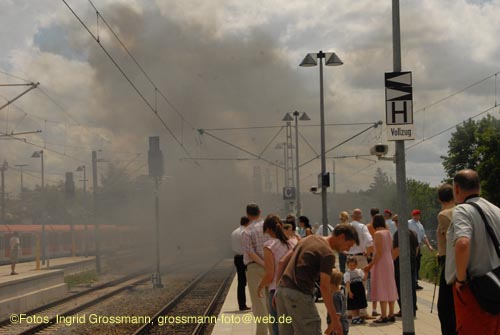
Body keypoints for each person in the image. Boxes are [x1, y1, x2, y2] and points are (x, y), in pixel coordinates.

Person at [275, 224, 359, 335]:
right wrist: (335, 320)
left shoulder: (309, 238)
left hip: (282, 291)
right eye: (349, 245)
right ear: (342, 237)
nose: (347, 250)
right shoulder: (328, 254)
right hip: (300, 294)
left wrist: (277, 290)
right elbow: (325, 287)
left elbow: (282, 262)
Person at [445, 169, 500, 334]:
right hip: (496, 285)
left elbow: (462, 243)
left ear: (456, 189)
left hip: (472, 289)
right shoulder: (496, 210)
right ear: (479, 187)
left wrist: (460, 280)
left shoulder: (462, 210)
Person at [258, 215, 297, 335]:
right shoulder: (292, 243)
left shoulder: (269, 246)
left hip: (276, 291)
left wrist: (259, 286)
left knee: (278, 328)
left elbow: (270, 274)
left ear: (268, 230)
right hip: (294, 289)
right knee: (292, 327)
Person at [241, 203, 271, 335]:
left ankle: (262, 333)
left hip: (254, 268)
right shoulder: (269, 227)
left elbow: (250, 252)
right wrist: (269, 264)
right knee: (272, 303)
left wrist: (262, 263)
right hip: (272, 268)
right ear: (260, 211)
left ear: (247, 215)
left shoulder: (247, 231)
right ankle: (275, 331)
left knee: (259, 304)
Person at [364, 214, 398, 323]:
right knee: (390, 285)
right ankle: (391, 313)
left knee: (381, 286)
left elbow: (378, 253)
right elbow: (391, 250)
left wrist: (370, 265)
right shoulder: (388, 232)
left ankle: (384, 315)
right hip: (389, 261)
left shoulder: (378, 234)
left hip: (381, 262)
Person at [436, 183, 457, 335]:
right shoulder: (461, 210)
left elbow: (449, 239)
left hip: (448, 262)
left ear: (439, 199)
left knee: (444, 307)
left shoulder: (444, 215)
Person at [346, 209, 374, 318]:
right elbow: (370, 241)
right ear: (360, 217)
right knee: (361, 285)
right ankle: (362, 311)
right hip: (360, 257)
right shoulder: (362, 227)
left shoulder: (347, 227)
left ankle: (350, 311)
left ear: (352, 217)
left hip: (349, 257)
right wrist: (368, 254)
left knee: (349, 284)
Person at [391, 214, 418, 317]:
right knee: (411, 286)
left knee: (401, 286)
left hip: (401, 263)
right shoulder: (412, 233)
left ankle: (404, 309)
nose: (396, 224)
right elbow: (416, 249)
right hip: (411, 262)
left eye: (396, 222)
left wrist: (391, 261)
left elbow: (397, 250)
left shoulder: (398, 234)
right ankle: (412, 309)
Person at [408, 209, 434, 289]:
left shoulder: (420, 225)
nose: (416, 216)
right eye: (415, 215)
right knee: (412, 264)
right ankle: (411, 282)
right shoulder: (408, 223)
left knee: (417, 264)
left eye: (418, 215)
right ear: (412, 215)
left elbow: (423, 237)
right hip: (410, 246)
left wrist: (429, 245)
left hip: (418, 246)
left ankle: (415, 281)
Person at [231, 216, 251, 311]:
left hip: (237, 258)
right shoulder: (245, 232)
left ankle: (241, 304)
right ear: (248, 223)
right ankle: (245, 305)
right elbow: (247, 247)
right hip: (245, 257)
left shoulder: (234, 232)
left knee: (241, 282)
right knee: (251, 280)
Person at [344, 257, 367, 325]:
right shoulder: (347, 273)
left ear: (356, 265)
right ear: (348, 265)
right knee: (353, 304)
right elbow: (347, 283)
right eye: (351, 265)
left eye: (354, 265)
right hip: (353, 290)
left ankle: (358, 316)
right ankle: (354, 317)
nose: (352, 267)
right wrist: (349, 291)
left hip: (359, 290)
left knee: (358, 304)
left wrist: (366, 272)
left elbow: (363, 279)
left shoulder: (359, 271)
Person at [328, 269, 349, 335]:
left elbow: (337, 315)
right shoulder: (340, 293)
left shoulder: (335, 297)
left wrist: (330, 329)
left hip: (337, 328)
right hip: (343, 325)